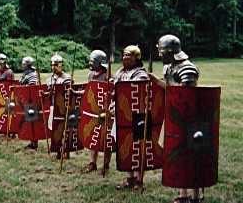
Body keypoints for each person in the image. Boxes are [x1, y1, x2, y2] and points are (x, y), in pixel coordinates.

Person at [150, 34, 200, 203]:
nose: (160, 55)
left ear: (170, 52)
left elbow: (186, 95)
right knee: (176, 156)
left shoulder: (187, 69)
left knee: (190, 157)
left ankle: (195, 196)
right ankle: (182, 194)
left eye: (162, 52)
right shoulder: (168, 68)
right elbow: (171, 89)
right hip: (173, 118)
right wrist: (155, 81)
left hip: (189, 120)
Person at [115, 45, 149, 190]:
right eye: (123, 55)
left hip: (137, 115)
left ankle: (139, 180)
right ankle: (129, 178)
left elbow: (138, 91)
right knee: (125, 146)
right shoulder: (120, 72)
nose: (124, 58)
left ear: (136, 57)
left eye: (128, 55)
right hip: (122, 114)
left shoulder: (140, 74)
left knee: (139, 147)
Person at [77, 50, 112, 174]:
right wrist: (77, 93)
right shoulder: (90, 75)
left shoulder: (108, 75)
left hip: (106, 110)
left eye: (92, 61)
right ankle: (92, 163)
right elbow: (88, 90)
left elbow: (113, 92)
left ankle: (106, 165)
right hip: (94, 110)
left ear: (99, 63)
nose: (90, 63)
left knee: (106, 138)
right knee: (93, 136)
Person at [45, 54, 71, 159]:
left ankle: (66, 151)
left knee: (64, 130)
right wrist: (44, 94)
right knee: (55, 129)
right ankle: (58, 150)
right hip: (53, 106)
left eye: (55, 65)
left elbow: (69, 94)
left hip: (63, 107)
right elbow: (50, 93)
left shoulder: (67, 78)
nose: (53, 67)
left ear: (60, 65)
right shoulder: (50, 79)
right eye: (52, 65)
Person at [19, 56, 39, 150]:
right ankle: (32, 141)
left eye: (23, 64)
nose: (22, 65)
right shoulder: (26, 74)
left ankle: (34, 142)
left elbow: (32, 88)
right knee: (28, 120)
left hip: (31, 100)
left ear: (27, 65)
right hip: (25, 100)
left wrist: (24, 87)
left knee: (32, 121)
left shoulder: (32, 75)